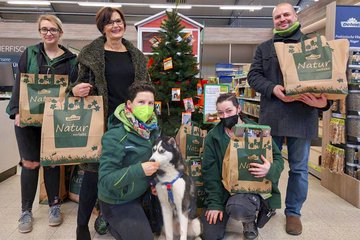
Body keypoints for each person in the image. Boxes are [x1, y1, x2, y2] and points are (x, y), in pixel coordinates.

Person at [247, 2, 331, 236]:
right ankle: (268, 205)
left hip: (303, 116)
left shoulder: (314, 45)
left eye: (286, 15)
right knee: (267, 166)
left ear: (296, 16)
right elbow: (253, 76)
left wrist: (324, 104)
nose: (282, 19)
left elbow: (330, 80)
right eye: (277, 17)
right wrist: (273, 88)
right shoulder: (264, 48)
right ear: (273, 21)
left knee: (299, 169)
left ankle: (293, 212)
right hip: (271, 116)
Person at [68, 7, 149, 239]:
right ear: (102, 27)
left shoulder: (136, 56)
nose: (116, 26)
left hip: (132, 124)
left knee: (127, 170)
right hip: (101, 125)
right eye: (110, 22)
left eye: (119, 21)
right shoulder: (90, 54)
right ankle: (81, 225)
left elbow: (147, 88)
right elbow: (72, 86)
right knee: (93, 174)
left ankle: (110, 214)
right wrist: (75, 90)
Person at [7, 15, 78, 233]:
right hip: (28, 121)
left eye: (53, 30)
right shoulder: (29, 53)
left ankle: (54, 205)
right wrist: (17, 110)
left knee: (52, 162)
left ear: (60, 33)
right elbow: (20, 82)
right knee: (29, 163)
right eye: (45, 29)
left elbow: (72, 89)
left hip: (54, 120)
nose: (49, 33)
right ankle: (26, 211)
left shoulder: (71, 59)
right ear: (40, 32)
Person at [201, 93, 284, 240]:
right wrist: (214, 204)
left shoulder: (258, 131)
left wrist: (269, 169)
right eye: (220, 113)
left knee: (239, 208)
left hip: (250, 188)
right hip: (223, 189)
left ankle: (248, 219)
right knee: (211, 235)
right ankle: (229, 206)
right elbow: (210, 173)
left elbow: (278, 158)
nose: (225, 116)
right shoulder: (213, 137)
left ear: (238, 108)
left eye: (229, 111)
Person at [98, 81, 160, 240]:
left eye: (150, 103)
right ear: (129, 104)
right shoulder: (115, 136)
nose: (146, 107)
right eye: (141, 102)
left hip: (142, 191)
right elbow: (105, 180)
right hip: (118, 199)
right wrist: (139, 170)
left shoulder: (152, 129)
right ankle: (109, 219)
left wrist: (154, 181)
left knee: (164, 227)